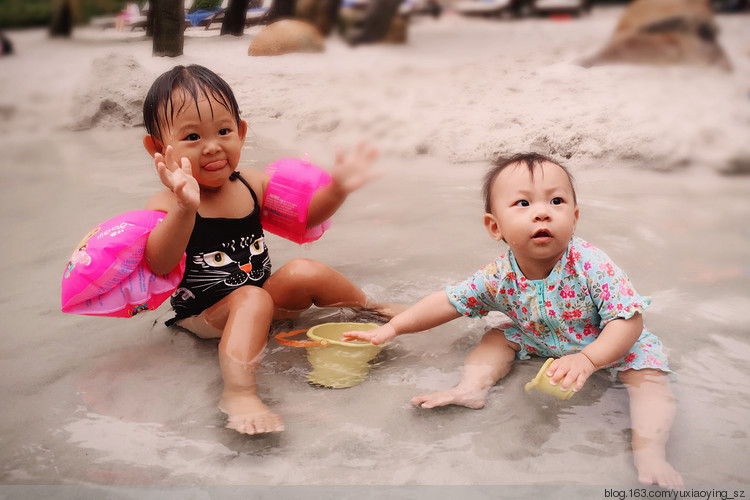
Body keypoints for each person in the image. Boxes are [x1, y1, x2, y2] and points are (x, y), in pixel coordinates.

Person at [344, 153, 682, 489]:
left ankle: (651, 452)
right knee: (496, 337)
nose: (542, 211)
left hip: (608, 341)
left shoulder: (590, 264)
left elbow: (629, 320)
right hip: (536, 337)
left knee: (649, 378)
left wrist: (589, 358)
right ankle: (471, 388)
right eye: (523, 203)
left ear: (575, 218)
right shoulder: (498, 276)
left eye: (557, 200)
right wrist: (392, 328)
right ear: (495, 226)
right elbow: (449, 302)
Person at [143, 64, 397, 436]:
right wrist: (185, 208)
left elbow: (305, 219)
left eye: (224, 131)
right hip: (206, 317)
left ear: (241, 133)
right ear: (158, 148)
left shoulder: (251, 184)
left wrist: (338, 189)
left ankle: (372, 310)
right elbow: (159, 263)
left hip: (259, 300)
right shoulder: (167, 203)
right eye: (192, 136)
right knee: (250, 299)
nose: (213, 146)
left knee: (304, 269)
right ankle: (239, 392)